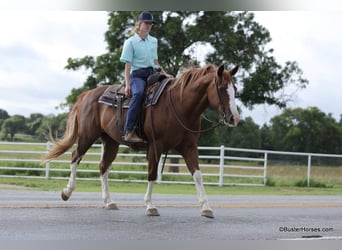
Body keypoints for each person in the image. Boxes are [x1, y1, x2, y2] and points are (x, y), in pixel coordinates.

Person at [120, 11, 165, 143]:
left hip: (152, 73)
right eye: (146, 23)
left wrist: (165, 73)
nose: (149, 25)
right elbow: (128, 66)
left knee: (169, 88)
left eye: (150, 23)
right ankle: (129, 131)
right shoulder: (130, 42)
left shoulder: (153, 41)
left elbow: (155, 61)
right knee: (139, 93)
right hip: (137, 75)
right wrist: (128, 85)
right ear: (139, 24)